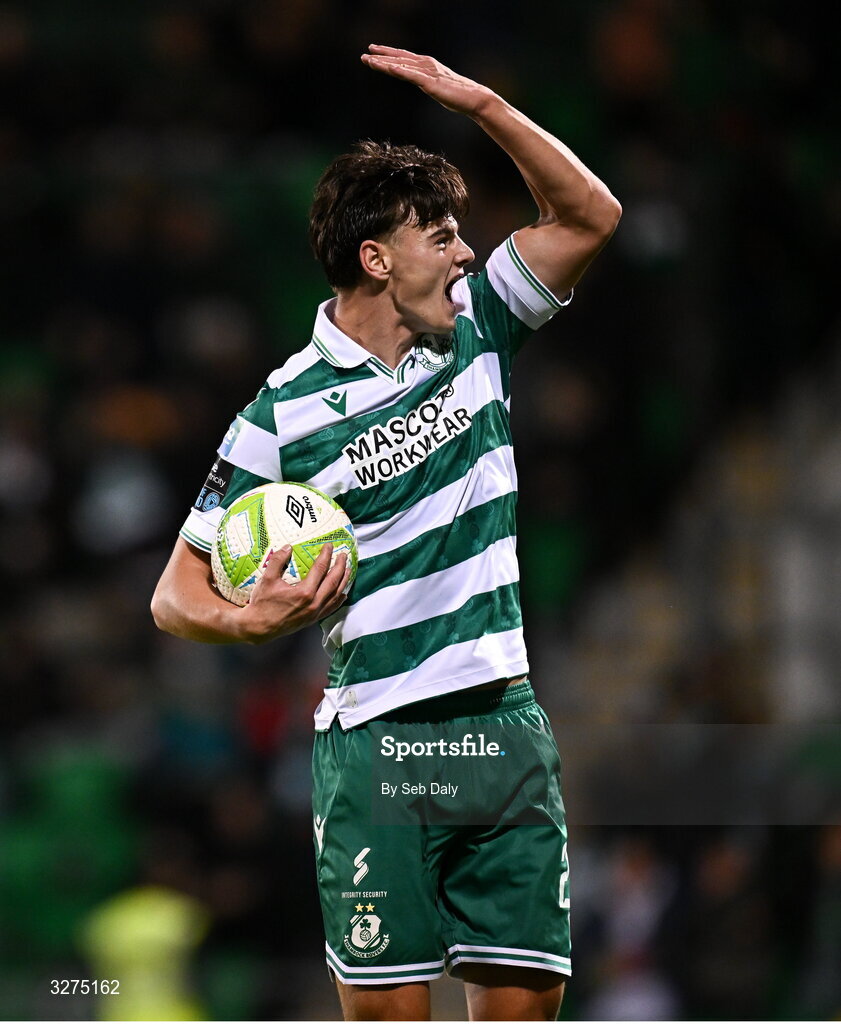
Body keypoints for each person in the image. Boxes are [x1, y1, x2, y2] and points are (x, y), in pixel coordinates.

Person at [152, 44, 621, 1022]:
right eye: (443, 236)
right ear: (376, 257)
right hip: (378, 743)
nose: (465, 254)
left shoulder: (479, 326)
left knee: (526, 1012)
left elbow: (588, 215)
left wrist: (487, 103)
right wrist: (249, 621)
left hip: (500, 722)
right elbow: (176, 595)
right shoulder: (281, 413)